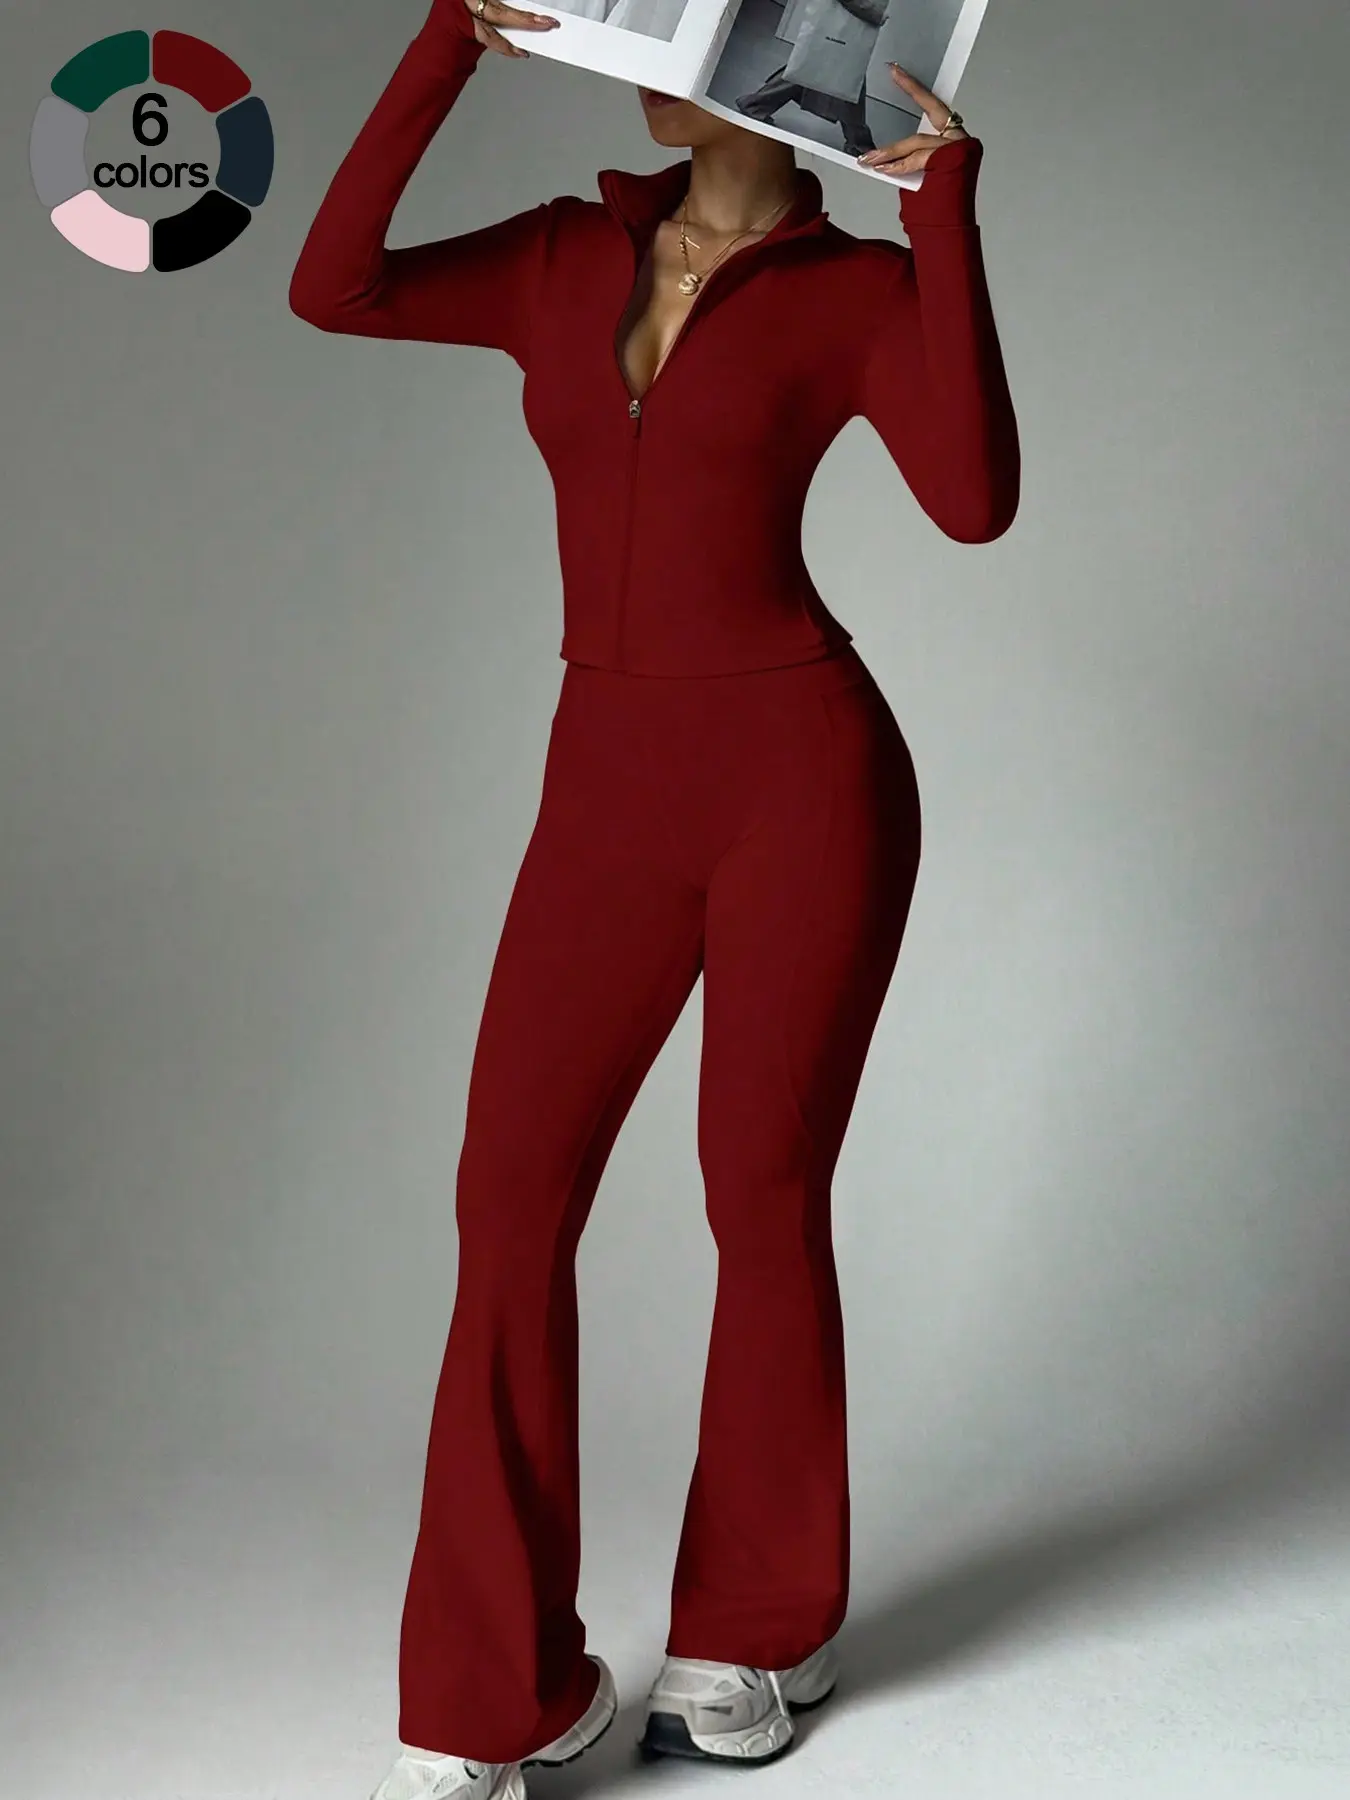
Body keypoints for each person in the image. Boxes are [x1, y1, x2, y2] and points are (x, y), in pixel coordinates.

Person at [287, 2, 1019, 1796]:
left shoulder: (851, 292)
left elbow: (974, 502)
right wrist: (446, 48)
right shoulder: (558, 256)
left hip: (804, 780)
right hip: (603, 788)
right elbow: (334, 287)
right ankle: (498, 1692)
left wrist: (942, 215)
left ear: (767, 68)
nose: (643, 43)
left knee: (757, 1193)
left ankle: (751, 1627)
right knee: (506, 1203)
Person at [736, 0, 889, 157]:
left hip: (842, 23)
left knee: (828, 73)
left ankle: (755, 104)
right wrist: (875, 12)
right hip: (845, 22)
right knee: (844, 77)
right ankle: (859, 144)